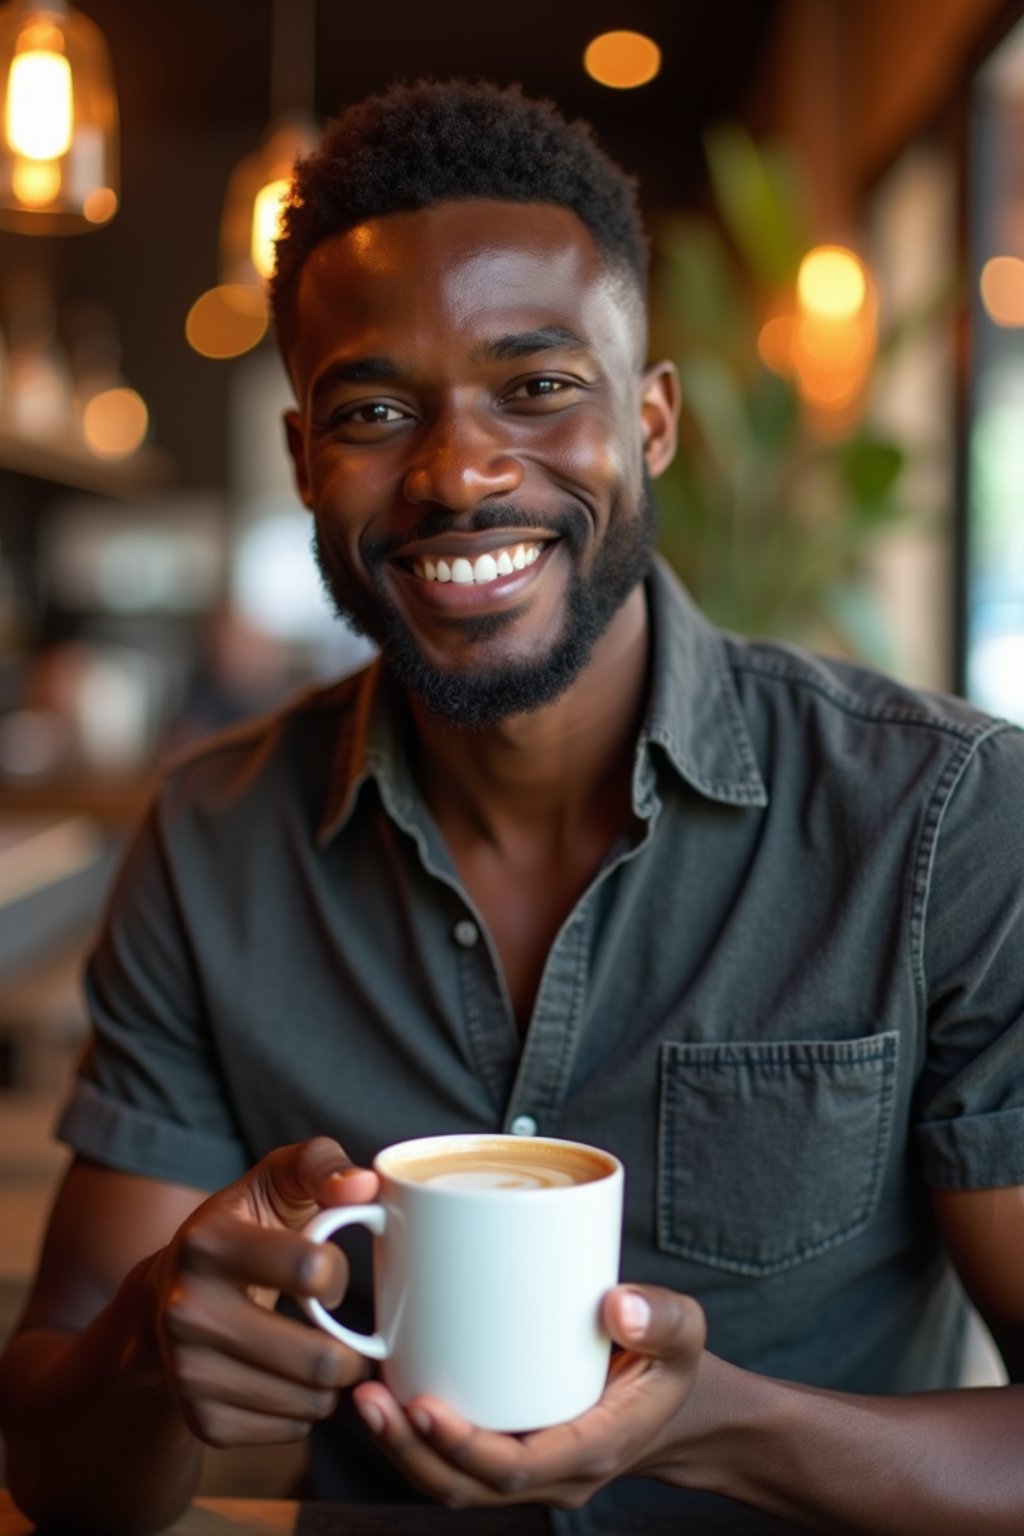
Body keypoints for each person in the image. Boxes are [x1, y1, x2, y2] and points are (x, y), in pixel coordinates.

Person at [1, 77, 1023, 1536]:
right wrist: (158, 1341)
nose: (459, 472)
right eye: (371, 408)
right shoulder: (214, 839)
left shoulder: (943, 820)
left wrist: (722, 1426)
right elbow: (62, 1472)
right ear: (304, 461)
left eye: (538, 386)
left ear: (652, 421)